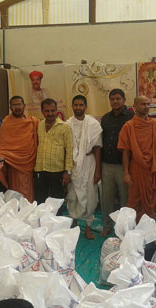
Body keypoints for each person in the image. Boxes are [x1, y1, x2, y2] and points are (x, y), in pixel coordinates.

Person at [119, 95, 156, 220]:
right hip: (136, 170)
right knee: (134, 202)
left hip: (153, 170)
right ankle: (134, 232)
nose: (146, 107)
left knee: (152, 202)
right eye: (143, 104)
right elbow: (125, 151)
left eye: (148, 104)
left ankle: (151, 231)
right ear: (135, 107)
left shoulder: (155, 125)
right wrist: (126, 173)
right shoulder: (128, 126)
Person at [66, 95, 102, 239]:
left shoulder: (93, 124)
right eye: (76, 105)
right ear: (72, 106)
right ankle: (74, 223)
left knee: (90, 194)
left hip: (89, 162)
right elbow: (66, 149)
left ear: (85, 107)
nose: (78, 108)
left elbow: (98, 148)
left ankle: (87, 227)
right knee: (73, 195)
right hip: (73, 164)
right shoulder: (67, 124)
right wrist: (67, 170)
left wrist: (98, 170)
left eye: (81, 105)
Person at [100, 88, 135, 233]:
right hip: (107, 164)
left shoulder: (132, 117)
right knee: (106, 198)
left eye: (118, 99)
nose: (115, 101)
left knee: (124, 198)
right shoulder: (106, 118)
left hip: (124, 166)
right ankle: (107, 226)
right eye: (112, 99)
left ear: (124, 100)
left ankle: (123, 228)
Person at [0, 95, 38, 202]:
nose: (17, 107)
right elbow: (3, 145)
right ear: (10, 107)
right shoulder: (6, 123)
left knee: (29, 195)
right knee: (15, 195)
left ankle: (28, 215)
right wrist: (0, 157)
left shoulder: (33, 122)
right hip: (13, 164)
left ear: (24, 106)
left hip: (29, 163)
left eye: (19, 104)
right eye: (14, 105)